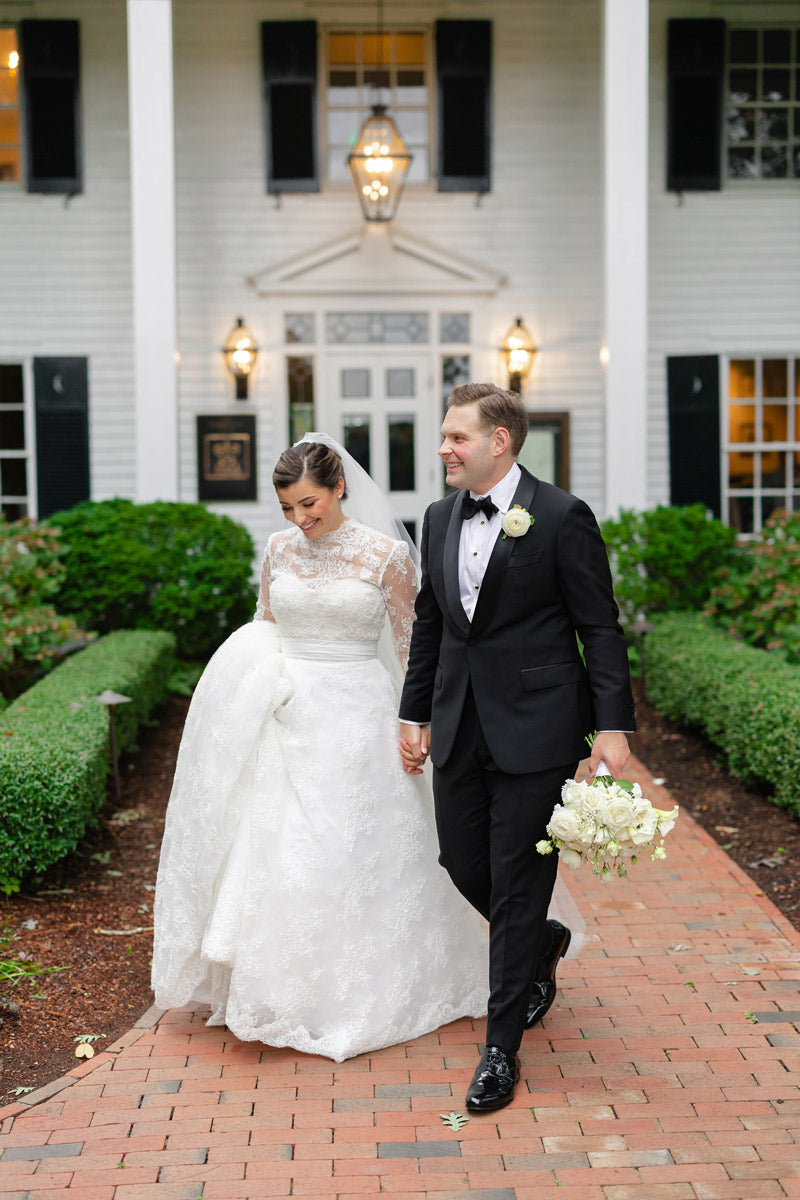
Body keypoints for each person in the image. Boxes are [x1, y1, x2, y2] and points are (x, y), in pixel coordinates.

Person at [151, 434, 490, 1062]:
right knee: (280, 847)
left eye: (309, 504)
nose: (300, 520)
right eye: (287, 509)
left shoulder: (386, 556)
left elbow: (415, 648)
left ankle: (367, 986)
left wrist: (420, 723)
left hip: (361, 712)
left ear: (338, 488)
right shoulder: (279, 550)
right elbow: (265, 627)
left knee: (356, 845)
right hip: (287, 713)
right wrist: (250, 690)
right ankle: (282, 991)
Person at [399, 383, 635, 1112]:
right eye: (444, 436)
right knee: (460, 860)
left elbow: (599, 626)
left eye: (456, 437)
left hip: (537, 726)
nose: (443, 448)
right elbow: (433, 625)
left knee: (516, 879)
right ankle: (538, 941)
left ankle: (501, 1048)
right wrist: (414, 713)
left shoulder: (563, 517)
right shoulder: (438, 516)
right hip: (459, 722)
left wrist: (613, 727)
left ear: (498, 441)